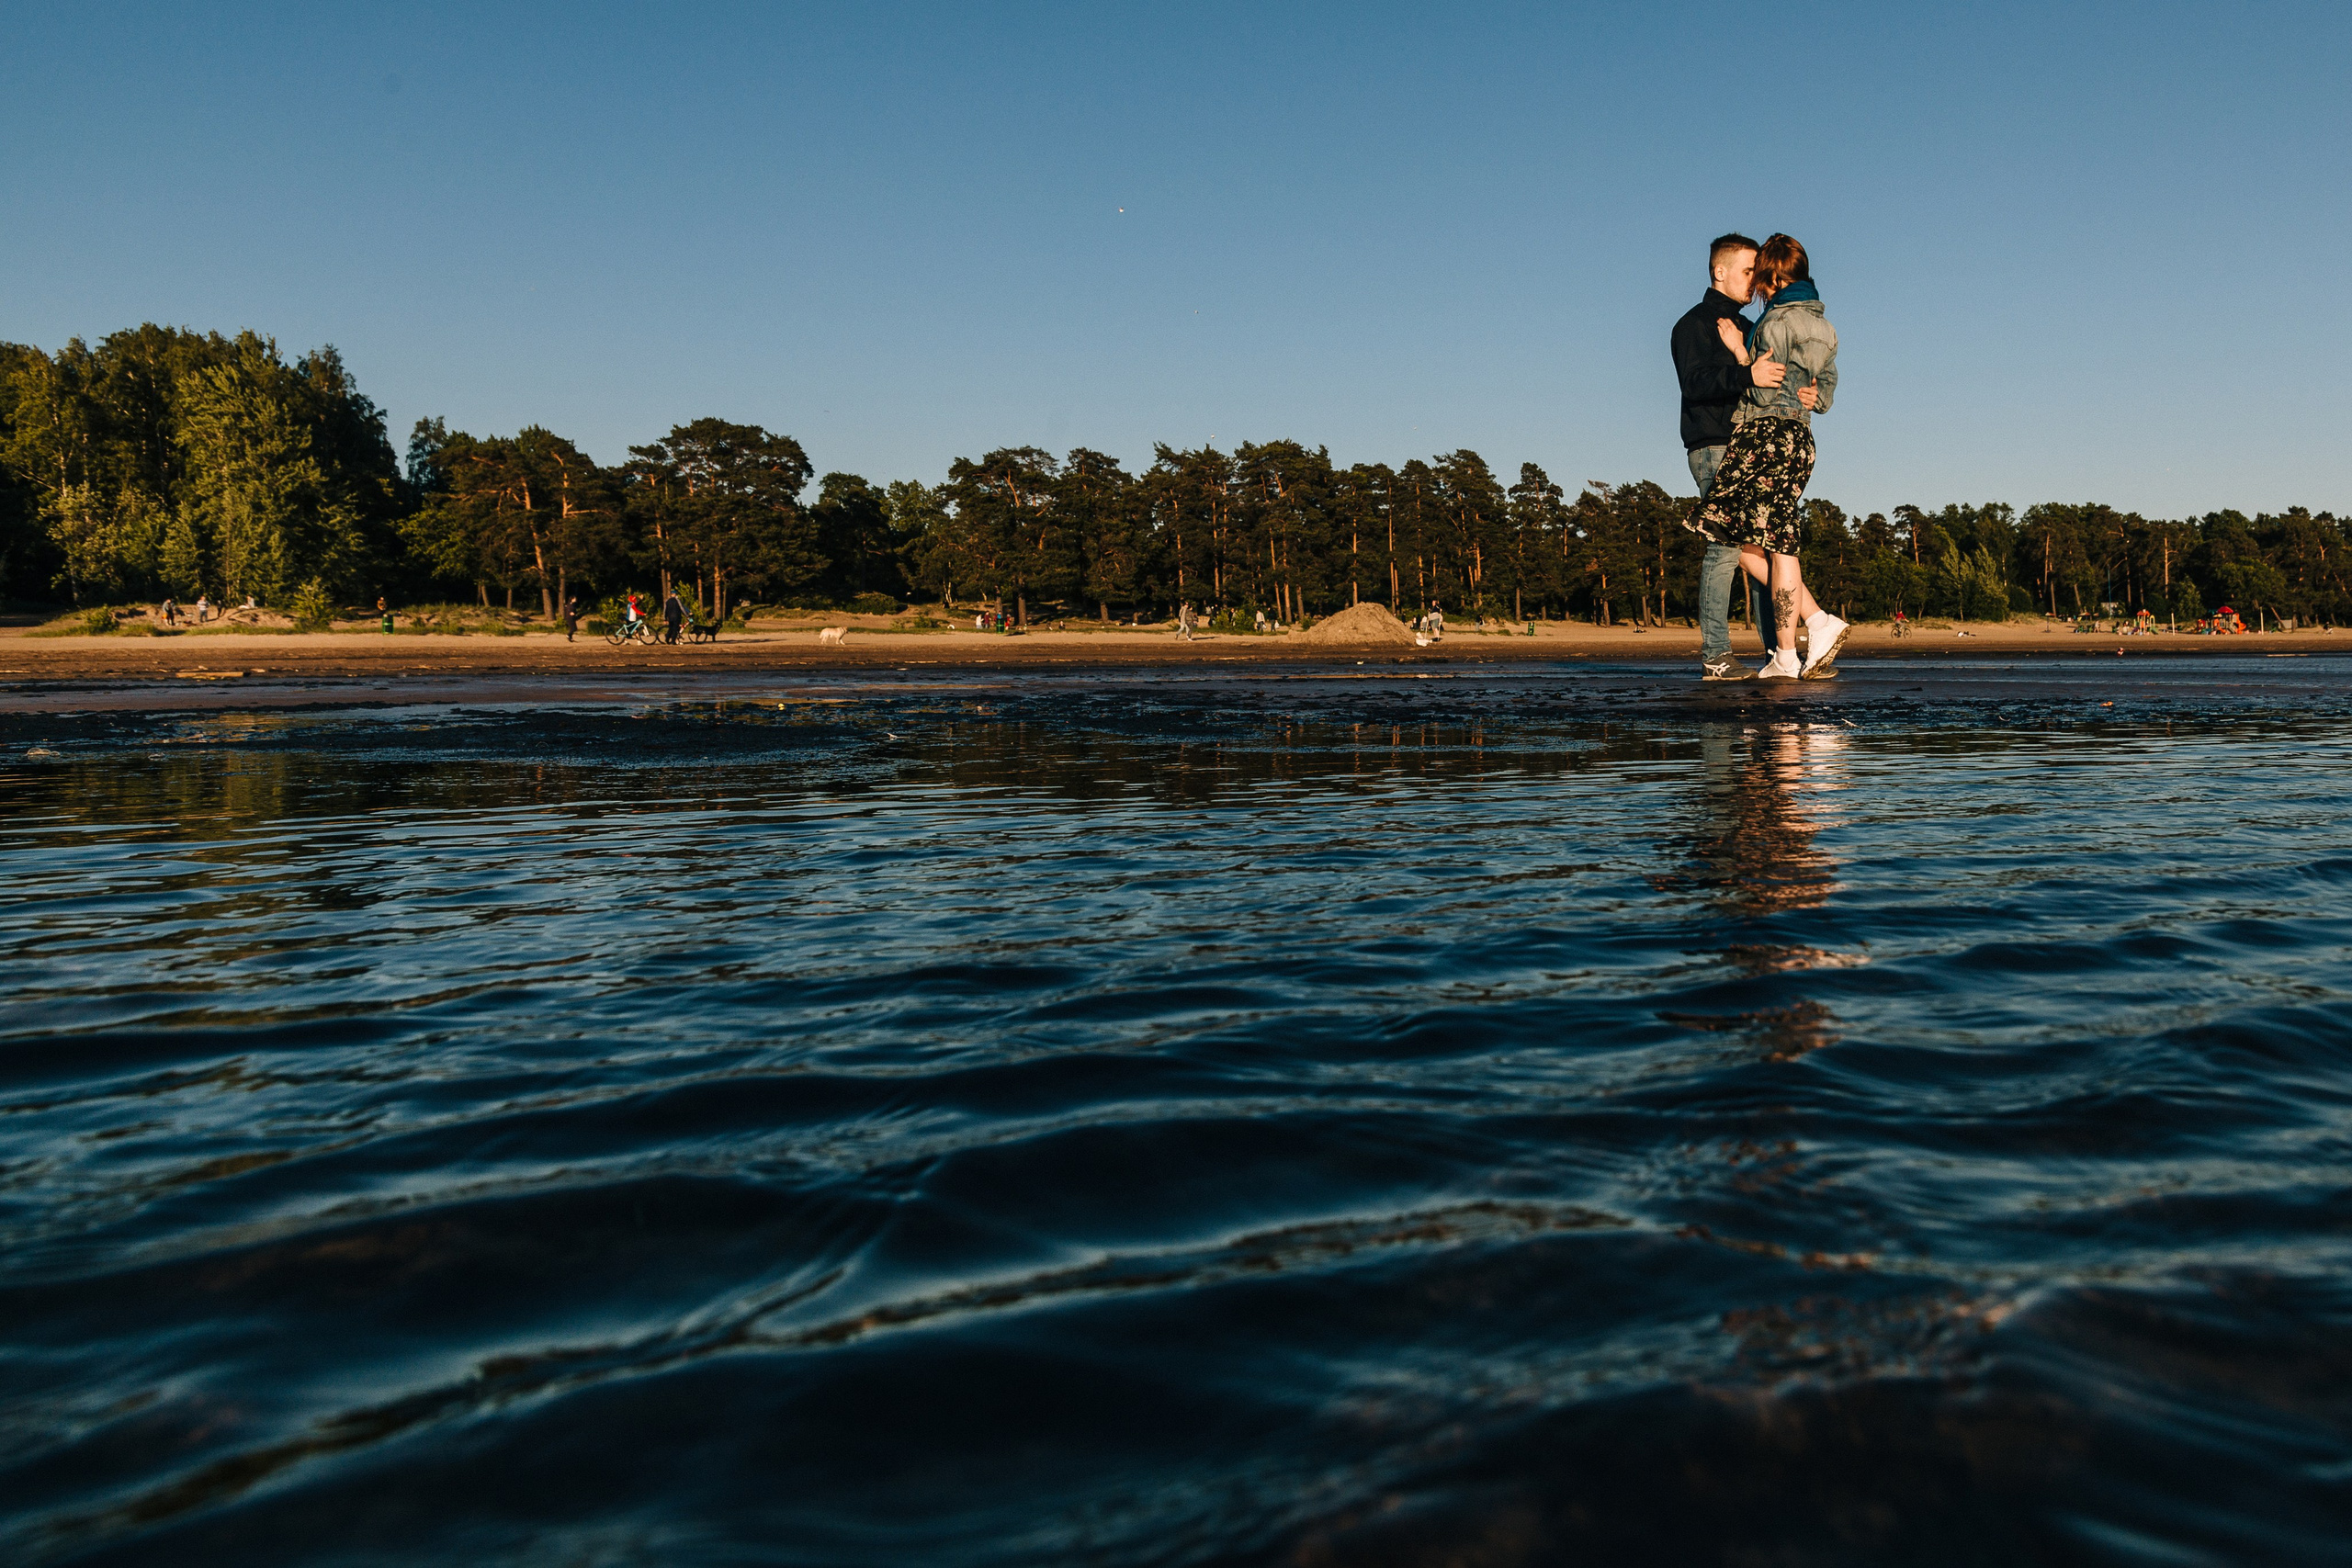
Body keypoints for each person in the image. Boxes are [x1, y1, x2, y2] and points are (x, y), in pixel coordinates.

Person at [1686, 233, 1848, 681]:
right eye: (1747, 273)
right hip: (1781, 439)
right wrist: (1817, 397)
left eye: (1761, 277)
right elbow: (1826, 386)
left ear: (1775, 278)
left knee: (1734, 541)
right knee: (1769, 543)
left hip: (1762, 437)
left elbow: (1760, 386)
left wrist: (1742, 354)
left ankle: (1778, 645)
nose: (1755, 285)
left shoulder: (1772, 322)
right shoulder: (1824, 325)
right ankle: (1790, 646)